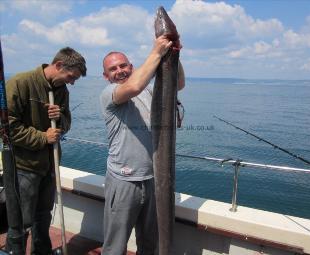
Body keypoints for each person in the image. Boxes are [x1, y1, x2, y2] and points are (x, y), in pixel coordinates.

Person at [100, 35, 185, 255]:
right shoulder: (109, 94)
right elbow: (135, 86)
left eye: (123, 65)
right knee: (115, 245)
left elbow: (178, 83)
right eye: (113, 69)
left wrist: (175, 54)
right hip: (124, 181)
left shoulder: (148, 89)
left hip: (154, 180)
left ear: (132, 66)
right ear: (106, 76)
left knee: (149, 244)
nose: (119, 70)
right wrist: (156, 51)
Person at [5, 47, 87, 254]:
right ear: (58, 65)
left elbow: (66, 124)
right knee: (21, 220)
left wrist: (59, 117)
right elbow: (6, 128)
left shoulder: (61, 90)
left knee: (43, 216)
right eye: (71, 76)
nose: (72, 82)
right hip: (24, 167)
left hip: (49, 165)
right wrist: (43, 137)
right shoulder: (20, 83)